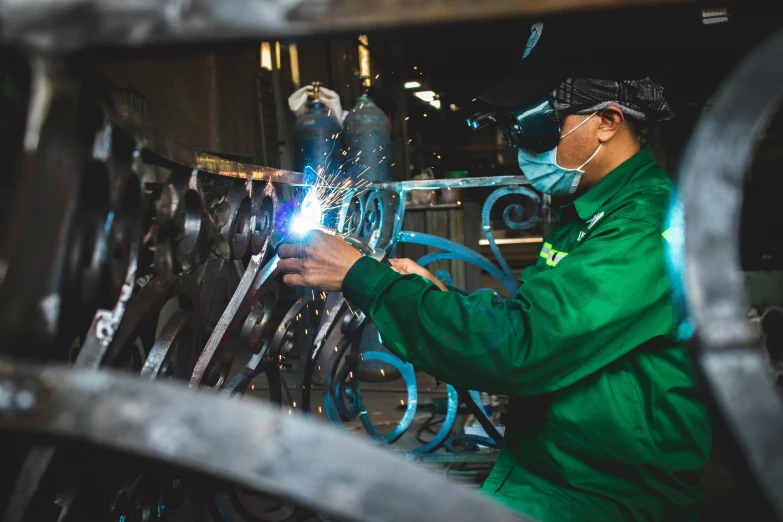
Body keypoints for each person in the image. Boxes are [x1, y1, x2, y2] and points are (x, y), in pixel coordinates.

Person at [278, 20, 711, 522]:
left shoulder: (641, 228)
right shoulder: (587, 210)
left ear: (607, 121)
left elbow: (521, 345)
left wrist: (361, 276)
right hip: (549, 466)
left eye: (538, 124)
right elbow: (537, 318)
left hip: (611, 495)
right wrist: (436, 294)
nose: (521, 144)